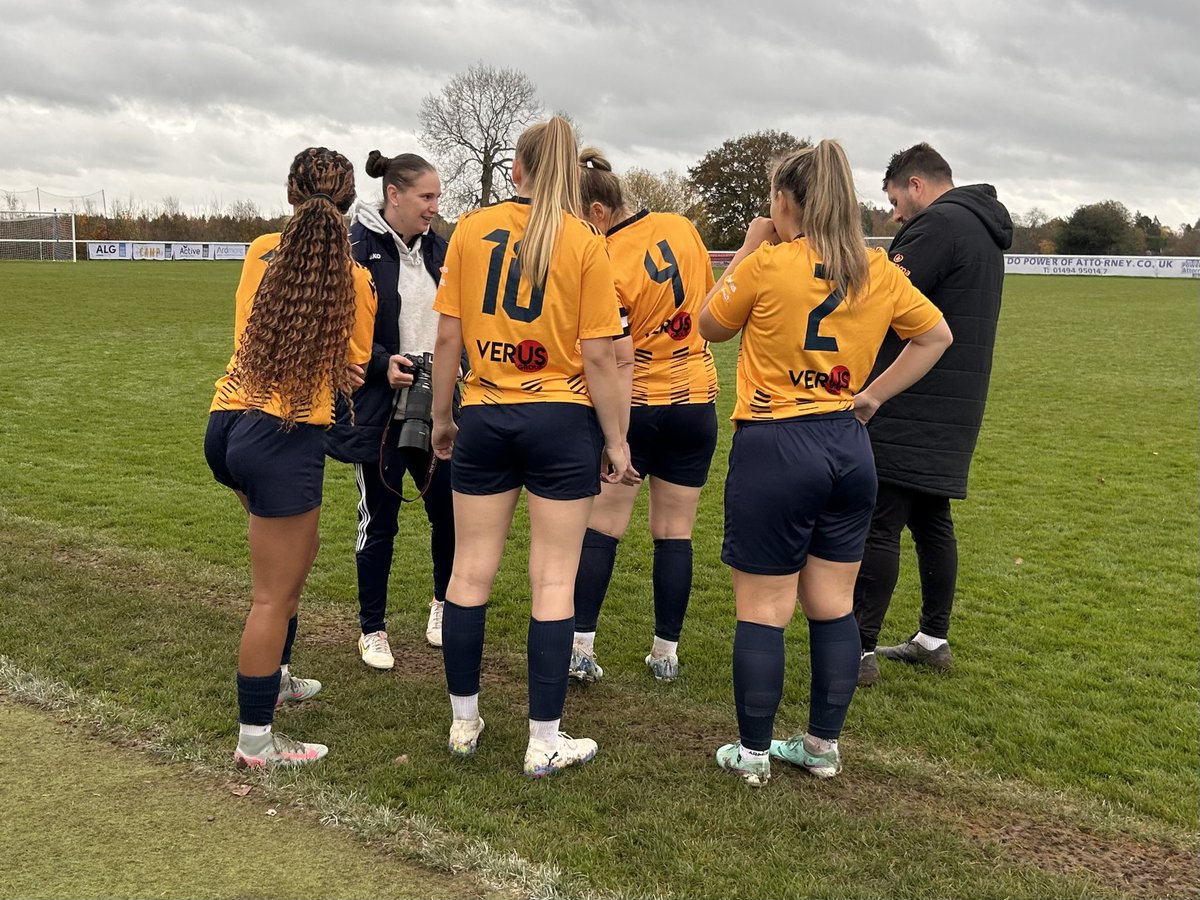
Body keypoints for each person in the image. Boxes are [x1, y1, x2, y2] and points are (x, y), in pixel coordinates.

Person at [698, 139, 952, 786]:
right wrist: (869, 397)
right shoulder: (879, 269)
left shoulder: (770, 263)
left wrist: (752, 247)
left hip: (776, 445)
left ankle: (754, 753)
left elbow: (709, 325)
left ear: (786, 201)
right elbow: (936, 336)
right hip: (846, 445)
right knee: (834, 605)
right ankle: (820, 747)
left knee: (762, 608)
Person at [430, 116, 632, 777]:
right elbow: (602, 356)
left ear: (516, 170)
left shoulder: (469, 230)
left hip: (486, 414)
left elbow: (446, 343)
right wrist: (616, 440)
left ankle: (464, 723)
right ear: (572, 175)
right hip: (560, 420)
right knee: (553, 580)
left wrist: (440, 418)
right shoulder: (585, 240)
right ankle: (543, 740)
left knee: (468, 574)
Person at [204, 147, 377, 767]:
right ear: (352, 203)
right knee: (273, 595)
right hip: (283, 435)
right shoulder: (357, 280)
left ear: (289, 196)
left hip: (226, 422)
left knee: (293, 566)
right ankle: (256, 741)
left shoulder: (258, 250)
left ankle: (275, 679)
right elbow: (353, 372)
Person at [853, 143, 1013, 686]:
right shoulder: (982, 230)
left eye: (896, 200)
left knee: (881, 521)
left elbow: (880, 300)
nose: (896, 215)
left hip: (911, 397)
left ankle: (858, 648)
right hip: (956, 403)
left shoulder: (939, 226)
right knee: (931, 519)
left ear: (916, 185)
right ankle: (932, 636)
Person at [568, 147, 718, 684]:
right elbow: (710, 302)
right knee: (675, 532)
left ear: (598, 212)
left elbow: (614, 354)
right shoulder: (681, 226)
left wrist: (617, 435)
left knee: (603, 526)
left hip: (637, 404)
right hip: (696, 398)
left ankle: (580, 647)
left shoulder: (604, 259)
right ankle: (665, 652)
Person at [324, 150, 453, 671]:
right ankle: (372, 629)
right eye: (426, 197)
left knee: (447, 512)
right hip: (378, 407)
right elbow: (336, 328)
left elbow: (459, 321)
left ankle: (442, 604)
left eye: (438, 197)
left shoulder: (443, 250)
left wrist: (456, 363)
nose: (433, 207)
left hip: (437, 403)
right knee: (379, 520)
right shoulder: (354, 247)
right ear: (394, 195)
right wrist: (382, 365)